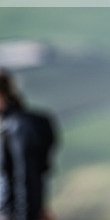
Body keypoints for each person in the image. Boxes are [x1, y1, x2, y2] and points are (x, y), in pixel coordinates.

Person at [0, 70, 58, 220]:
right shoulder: (15, 124)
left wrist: (23, 216)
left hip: (18, 213)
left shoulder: (18, 127)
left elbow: (26, 178)